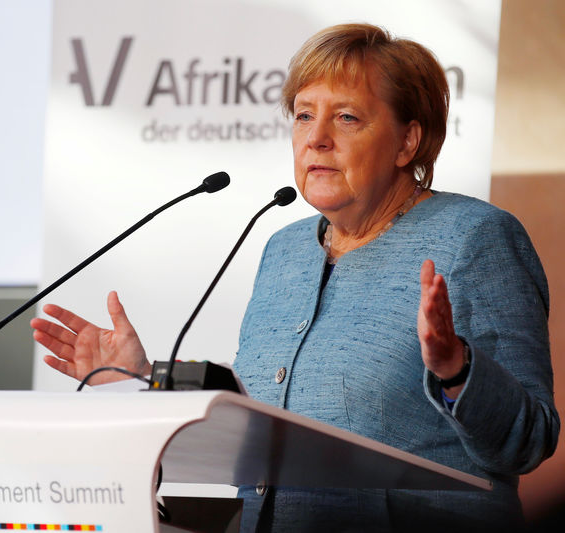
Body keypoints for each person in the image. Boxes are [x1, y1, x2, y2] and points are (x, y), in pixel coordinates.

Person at [31, 23, 559, 532]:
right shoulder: (283, 251)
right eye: (304, 116)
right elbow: (265, 418)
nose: (317, 139)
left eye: (347, 117)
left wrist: (456, 371)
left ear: (407, 142)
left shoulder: (475, 239)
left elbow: (530, 439)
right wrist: (144, 382)